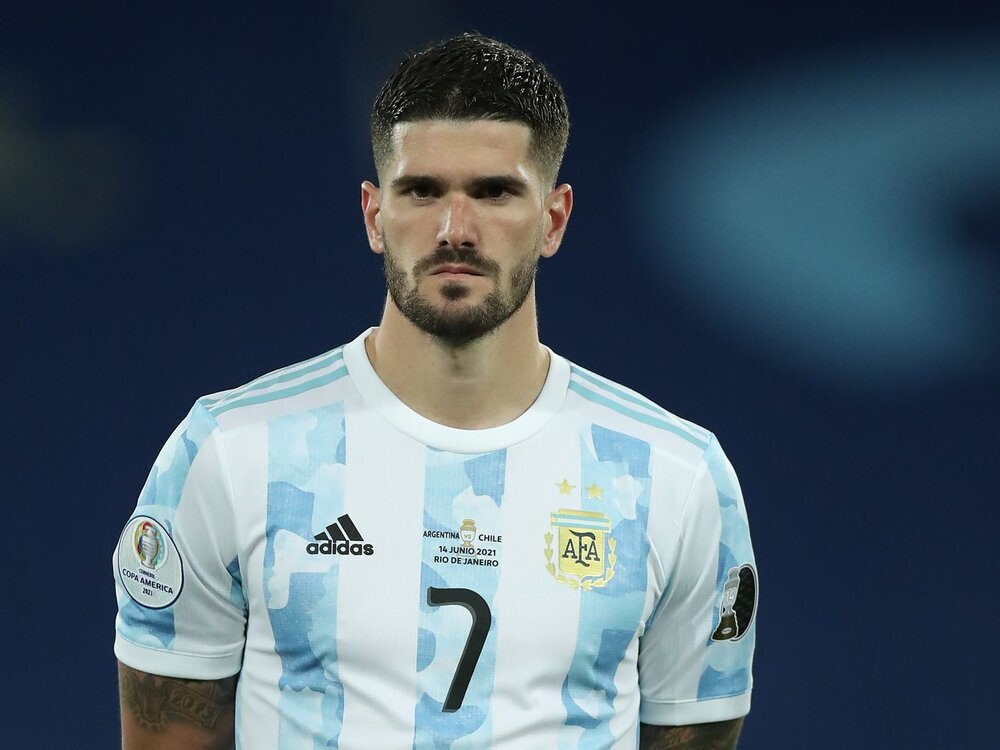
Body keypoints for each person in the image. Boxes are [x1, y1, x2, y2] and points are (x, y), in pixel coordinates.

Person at [113, 32, 757, 750]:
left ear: (554, 219)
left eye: (494, 192)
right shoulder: (229, 453)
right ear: (373, 215)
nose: (455, 229)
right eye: (421, 191)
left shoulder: (677, 476)